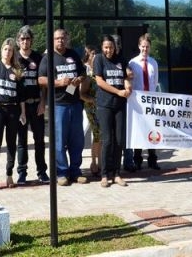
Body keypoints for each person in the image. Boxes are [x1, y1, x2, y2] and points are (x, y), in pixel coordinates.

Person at [38, 28, 88, 186]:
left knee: (77, 140)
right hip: (58, 105)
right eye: (57, 38)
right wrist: (59, 83)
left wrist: (78, 79)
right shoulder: (48, 58)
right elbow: (40, 79)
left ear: (67, 39)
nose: (60, 41)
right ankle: (62, 173)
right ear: (53, 40)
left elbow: (82, 73)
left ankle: (75, 171)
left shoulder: (73, 54)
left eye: (63, 38)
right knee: (59, 141)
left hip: (75, 103)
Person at [94, 35, 132, 187]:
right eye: (106, 47)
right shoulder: (98, 59)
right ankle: (104, 175)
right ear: (102, 48)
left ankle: (116, 173)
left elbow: (126, 77)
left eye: (111, 47)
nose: (108, 50)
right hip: (104, 105)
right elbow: (99, 81)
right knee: (107, 140)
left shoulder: (121, 60)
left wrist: (128, 86)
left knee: (119, 140)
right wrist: (117, 92)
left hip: (120, 105)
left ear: (115, 47)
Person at [0, 38, 26, 191]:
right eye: (5, 49)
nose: (8, 52)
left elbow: (21, 95)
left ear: (13, 53)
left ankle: (9, 173)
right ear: (1, 50)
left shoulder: (17, 70)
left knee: (11, 143)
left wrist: (23, 113)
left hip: (13, 110)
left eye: (10, 50)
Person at [15, 25, 49, 185]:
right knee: (21, 141)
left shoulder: (39, 58)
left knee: (39, 141)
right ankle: (22, 173)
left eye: (28, 38)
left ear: (32, 41)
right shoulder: (14, 58)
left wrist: (43, 103)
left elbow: (44, 84)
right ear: (18, 41)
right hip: (20, 107)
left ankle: (42, 172)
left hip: (37, 105)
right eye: (22, 39)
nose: (25, 41)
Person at [127, 33, 161, 171]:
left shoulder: (154, 63)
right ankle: (137, 160)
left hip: (151, 102)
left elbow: (155, 82)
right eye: (142, 46)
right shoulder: (132, 63)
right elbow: (130, 82)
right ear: (139, 46)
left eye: (147, 47)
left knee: (153, 130)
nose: (145, 49)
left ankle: (152, 159)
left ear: (150, 47)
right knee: (139, 131)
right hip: (138, 103)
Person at [80, 44, 101, 176]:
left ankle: (99, 162)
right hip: (88, 107)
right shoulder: (85, 70)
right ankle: (91, 161)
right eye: (92, 54)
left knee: (98, 135)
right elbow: (81, 92)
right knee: (82, 131)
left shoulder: (101, 69)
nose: (94, 56)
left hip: (101, 108)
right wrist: (91, 100)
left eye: (95, 54)